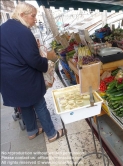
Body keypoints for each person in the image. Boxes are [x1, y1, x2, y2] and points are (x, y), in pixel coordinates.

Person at [0, 2, 66, 142]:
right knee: (39, 103)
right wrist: (46, 65)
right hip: (23, 76)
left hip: (7, 77)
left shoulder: (3, 28)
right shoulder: (23, 31)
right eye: (33, 16)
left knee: (24, 104)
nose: (35, 19)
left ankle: (32, 131)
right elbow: (33, 60)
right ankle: (52, 134)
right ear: (22, 15)